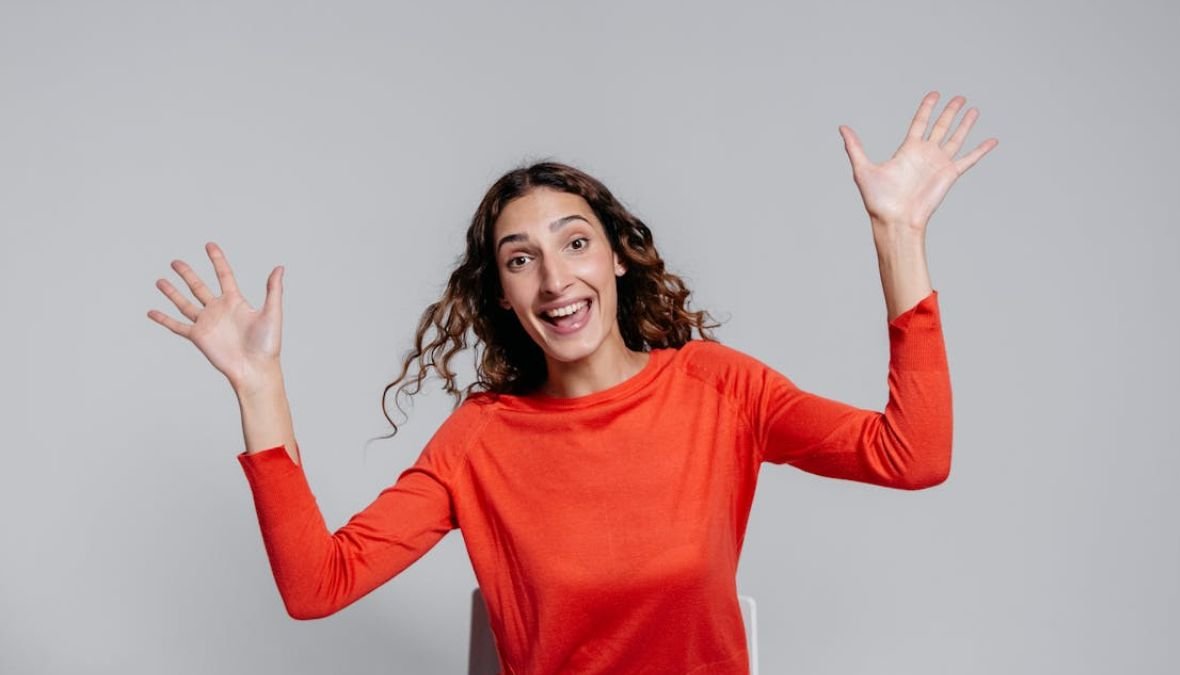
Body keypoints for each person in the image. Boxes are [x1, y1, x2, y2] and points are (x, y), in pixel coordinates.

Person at [147, 90, 996, 674]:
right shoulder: (480, 441)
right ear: (503, 295)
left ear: (618, 257)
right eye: (522, 260)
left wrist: (898, 236)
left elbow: (913, 455)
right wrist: (259, 387)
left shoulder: (716, 388)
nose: (555, 278)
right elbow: (317, 585)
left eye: (575, 242)